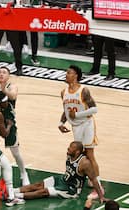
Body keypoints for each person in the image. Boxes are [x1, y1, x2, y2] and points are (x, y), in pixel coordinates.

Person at [58, 65, 104, 199]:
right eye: (66, 72)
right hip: (76, 126)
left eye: (69, 72)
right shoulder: (63, 92)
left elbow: (94, 109)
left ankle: (98, 186)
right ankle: (83, 177)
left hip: (87, 124)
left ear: (76, 75)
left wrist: (77, 115)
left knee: (89, 154)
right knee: (79, 154)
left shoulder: (83, 90)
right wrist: (61, 123)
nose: (66, 74)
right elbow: (67, 110)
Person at [13, 141, 106, 203]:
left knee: (43, 192)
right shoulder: (70, 154)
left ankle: (16, 196)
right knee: (38, 185)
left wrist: (101, 196)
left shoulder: (85, 163)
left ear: (77, 152)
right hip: (63, 179)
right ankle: (12, 191)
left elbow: (93, 179)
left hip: (71, 189)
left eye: (71, 148)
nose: (68, 148)